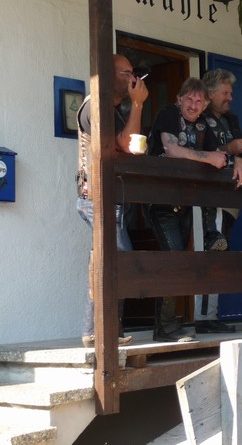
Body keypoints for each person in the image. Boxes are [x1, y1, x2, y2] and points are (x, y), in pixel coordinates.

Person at [145, 77, 242, 342]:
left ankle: (168, 324)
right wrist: (207, 157)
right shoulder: (169, 113)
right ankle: (165, 327)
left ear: (204, 105)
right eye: (189, 99)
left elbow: (220, 152)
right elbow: (170, 149)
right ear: (179, 99)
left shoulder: (203, 124)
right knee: (174, 259)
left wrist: (238, 160)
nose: (193, 105)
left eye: (199, 101)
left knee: (180, 260)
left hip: (185, 203)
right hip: (160, 200)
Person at [76, 54, 149, 348]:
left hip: (111, 196)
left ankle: (100, 331)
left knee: (106, 258)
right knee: (118, 258)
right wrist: (139, 104)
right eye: (126, 73)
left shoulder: (115, 109)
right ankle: (102, 331)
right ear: (108, 75)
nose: (133, 79)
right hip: (96, 195)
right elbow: (124, 142)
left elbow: (129, 146)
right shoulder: (95, 105)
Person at [193, 68, 242, 334]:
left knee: (219, 254)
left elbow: (237, 153)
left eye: (231, 92)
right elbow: (198, 152)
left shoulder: (231, 119)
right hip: (208, 198)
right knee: (211, 254)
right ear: (210, 93)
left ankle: (210, 315)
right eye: (226, 92)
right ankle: (203, 318)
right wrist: (229, 150)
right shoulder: (198, 117)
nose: (230, 97)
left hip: (229, 199)